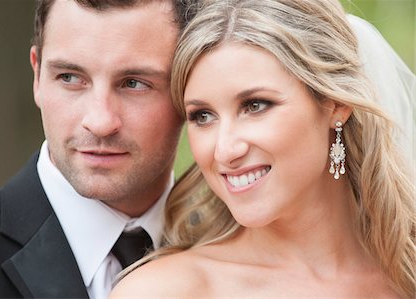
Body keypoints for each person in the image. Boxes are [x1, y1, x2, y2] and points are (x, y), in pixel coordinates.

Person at [111, 0, 415, 298]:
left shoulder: (405, 275)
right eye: (203, 116)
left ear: (336, 105)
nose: (224, 151)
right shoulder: (163, 291)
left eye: (255, 106)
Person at [0, 0, 195, 298]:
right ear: (37, 76)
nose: (100, 122)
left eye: (134, 83)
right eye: (70, 78)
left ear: (189, 87)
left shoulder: (243, 255)